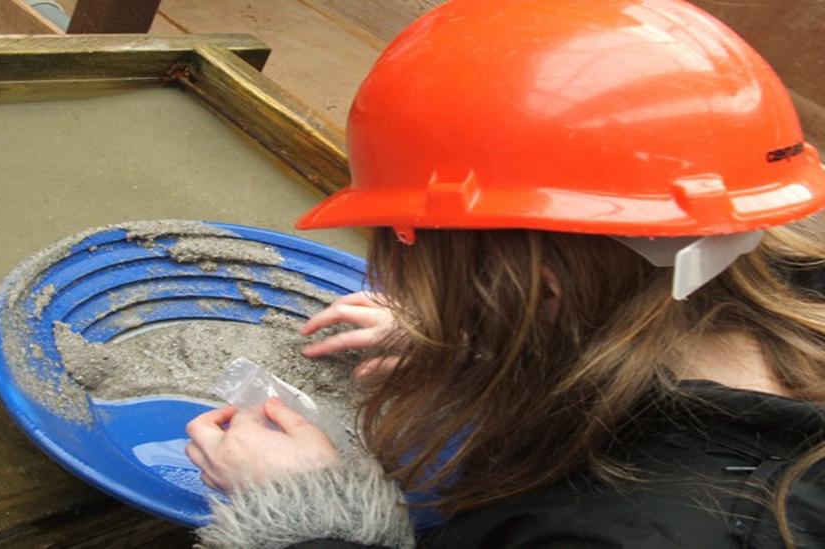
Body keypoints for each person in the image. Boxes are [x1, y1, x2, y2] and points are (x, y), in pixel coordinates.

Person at [185, 0, 825, 547]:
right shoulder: (792, 287)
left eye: (404, 239)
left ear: (536, 292)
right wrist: (488, 333)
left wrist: (311, 516)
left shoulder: (611, 530)